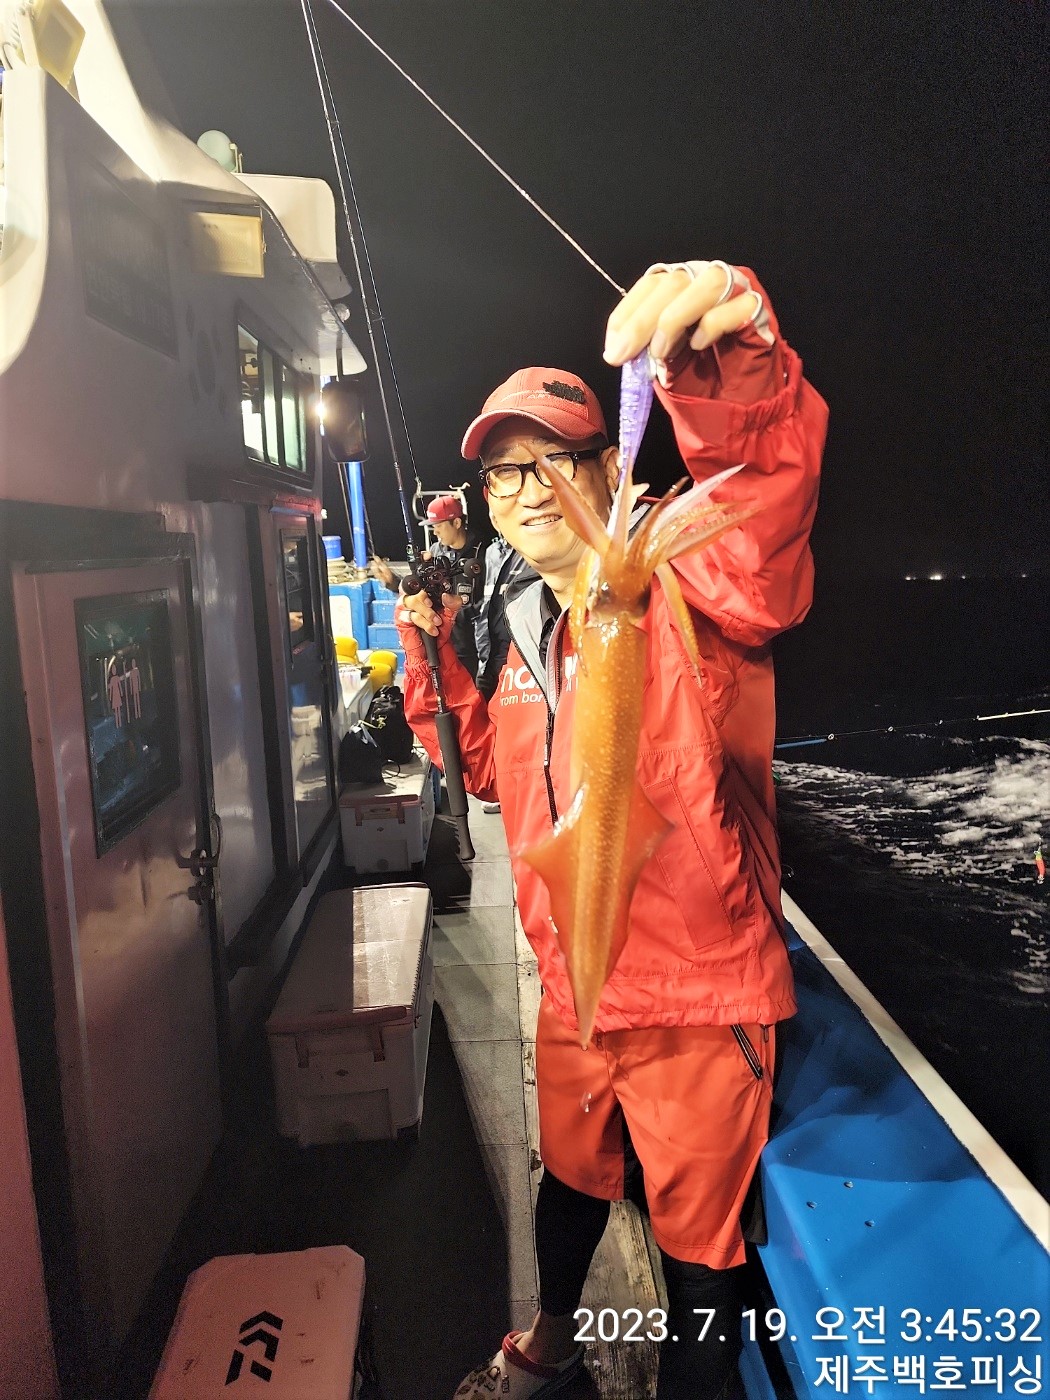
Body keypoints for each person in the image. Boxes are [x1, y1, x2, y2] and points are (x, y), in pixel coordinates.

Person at [396, 259, 826, 1400]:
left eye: (552, 460)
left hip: (693, 998)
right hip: (572, 981)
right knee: (571, 1178)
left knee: (699, 1255)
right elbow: (488, 773)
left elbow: (761, 505)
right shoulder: (520, 619)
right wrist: (429, 657)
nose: (527, 489)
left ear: (603, 471)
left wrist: (734, 358)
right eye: (502, 471)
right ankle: (548, 1345)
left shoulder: (690, 581)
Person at [425, 494, 484, 676]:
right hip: (442, 645)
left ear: (457, 523)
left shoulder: (484, 552)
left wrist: (460, 615)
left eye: (439, 526)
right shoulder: (435, 551)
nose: (435, 532)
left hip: (473, 648)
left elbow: (490, 603)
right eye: (433, 527)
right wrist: (393, 582)